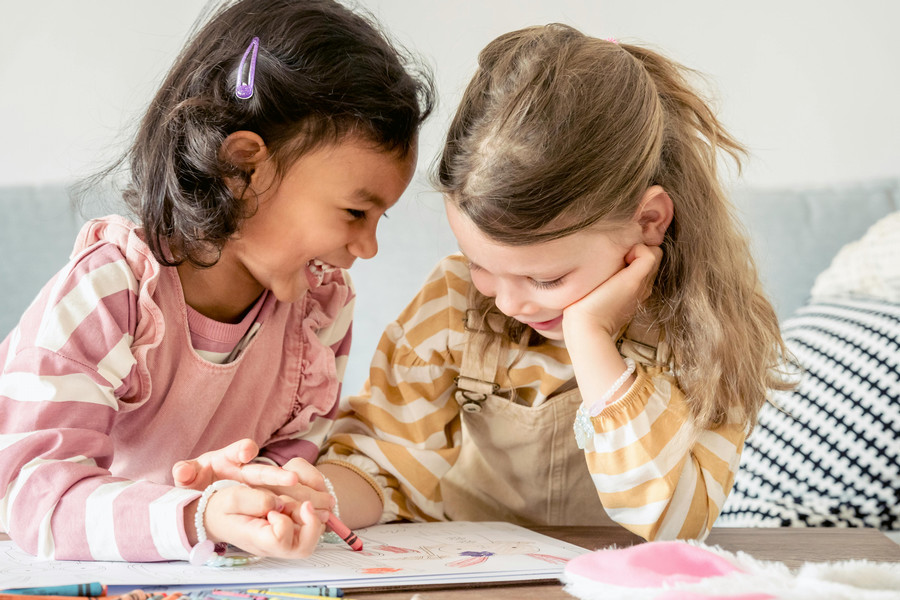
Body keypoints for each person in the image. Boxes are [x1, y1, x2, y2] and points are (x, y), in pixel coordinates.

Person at [313, 24, 794, 541]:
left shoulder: (705, 330)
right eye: (481, 264)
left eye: (546, 278)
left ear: (649, 220)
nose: (511, 301)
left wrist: (591, 337)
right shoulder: (457, 304)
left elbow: (674, 522)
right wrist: (317, 495)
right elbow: (385, 461)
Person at [0, 0, 433, 563]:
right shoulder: (110, 295)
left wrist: (275, 499)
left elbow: (285, 462)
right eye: (355, 213)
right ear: (243, 168)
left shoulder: (320, 310)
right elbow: (33, 498)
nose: (367, 247)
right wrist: (195, 514)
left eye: (381, 219)